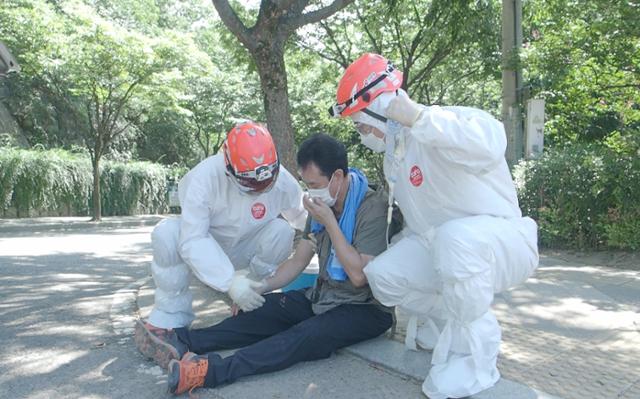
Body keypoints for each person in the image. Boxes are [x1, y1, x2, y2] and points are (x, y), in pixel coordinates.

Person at [329, 53, 539, 399]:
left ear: (381, 108)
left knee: (455, 240)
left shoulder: (448, 120)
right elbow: (421, 222)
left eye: (360, 122)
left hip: (501, 244)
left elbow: (491, 142)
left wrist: (419, 118)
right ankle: (449, 327)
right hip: (446, 247)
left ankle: (475, 359)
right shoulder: (394, 156)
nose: (361, 132)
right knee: (383, 275)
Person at [140, 133, 393, 395]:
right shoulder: (322, 205)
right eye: (306, 184)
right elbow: (298, 261)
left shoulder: (371, 207)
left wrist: (330, 221)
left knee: (302, 335)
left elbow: (358, 275)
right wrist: (259, 287)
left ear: (337, 177)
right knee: (267, 310)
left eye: (314, 183)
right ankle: (180, 340)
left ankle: (210, 372)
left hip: (363, 309)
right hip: (323, 297)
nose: (310, 191)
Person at [134, 121, 307, 369]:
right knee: (167, 234)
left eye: (265, 182)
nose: (259, 189)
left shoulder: (281, 180)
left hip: (249, 252)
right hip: (208, 251)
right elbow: (193, 238)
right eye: (251, 183)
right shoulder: (203, 177)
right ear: (228, 167)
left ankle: (251, 297)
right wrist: (229, 281)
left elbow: (306, 218)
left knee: (281, 231)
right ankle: (171, 316)